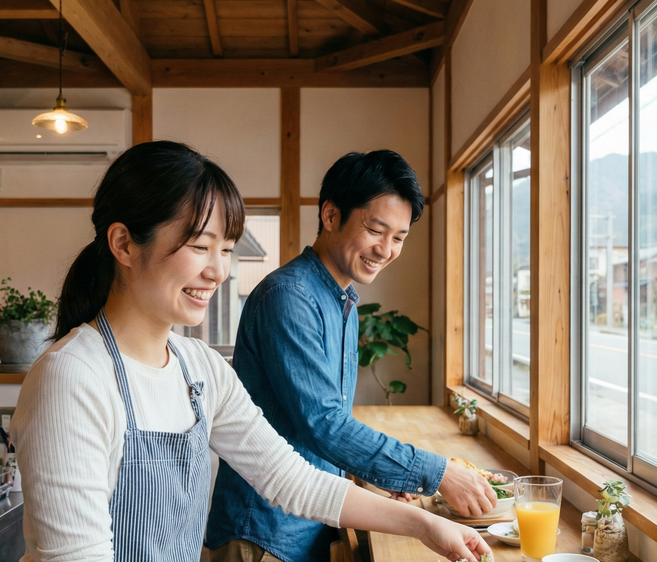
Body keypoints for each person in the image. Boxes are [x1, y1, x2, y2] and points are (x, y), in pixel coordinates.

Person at [10, 141, 492, 562]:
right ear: (123, 243)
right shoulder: (72, 377)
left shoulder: (198, 368)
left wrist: (426, 525)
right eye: (200, 246)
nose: (219, 271)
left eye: (227, 249)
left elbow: (291, 479)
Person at [206, 150, 500, 562]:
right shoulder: (290, 297)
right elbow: (323, 425)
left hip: (309, 518)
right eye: (376, 230)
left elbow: (319, 425)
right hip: (264, 533)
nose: (386, 249)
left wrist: (374, 472)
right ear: (330, 215)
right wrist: (437, 474)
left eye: (399, 238)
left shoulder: (342, 300)